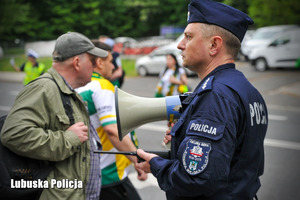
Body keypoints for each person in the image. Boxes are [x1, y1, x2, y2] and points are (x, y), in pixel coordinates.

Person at [136, 0, 268, 199]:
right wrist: (182, 145)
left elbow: (196, 180)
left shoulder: (215, 95)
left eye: (188, 37)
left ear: (214, 45)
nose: (180, 45)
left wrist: (156, 165)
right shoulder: (247, 90)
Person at [1, 32, 108, 199]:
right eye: (93, 61)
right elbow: (14, 133)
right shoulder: (44, 88)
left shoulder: (66, 92)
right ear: (77, 62)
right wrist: (69, 139)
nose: (95, 67)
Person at [76, 40, 147, 200]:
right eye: (110, 61)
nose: (114, 66)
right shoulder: (102, 86)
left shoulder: (78, 86)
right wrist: (138, 160)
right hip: (109, 175)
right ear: (100, 62)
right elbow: (112, 130)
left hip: (86, 173)